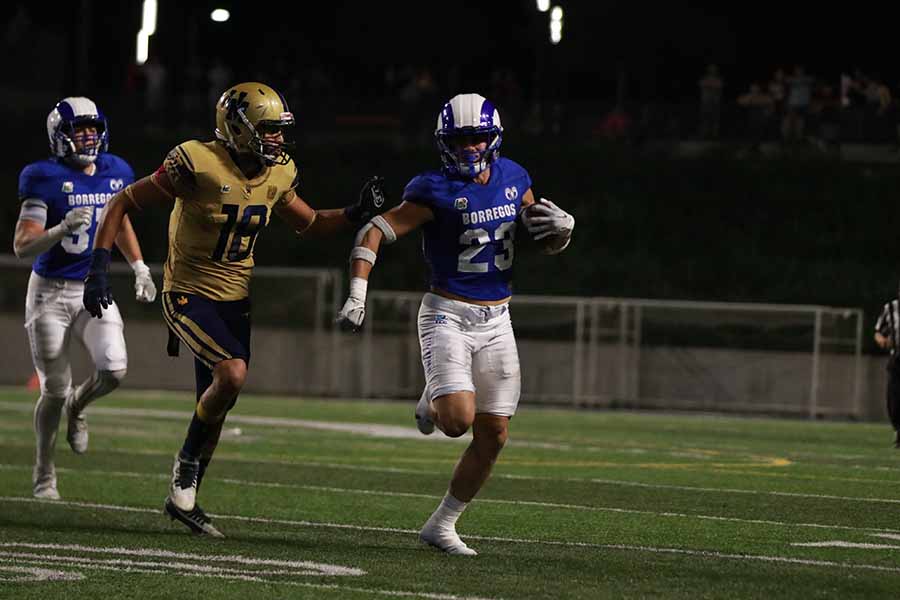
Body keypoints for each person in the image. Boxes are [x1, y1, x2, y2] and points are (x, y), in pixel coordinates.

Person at [82, 82, 386, 537]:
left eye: (280, 130)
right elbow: (123, 200)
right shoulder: (196, 163)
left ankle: (184, 499)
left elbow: (311, 223)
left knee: (219, 402)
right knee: (232, 374)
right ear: (238, 129)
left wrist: (355, 212)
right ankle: (185, 467)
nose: (278, 140)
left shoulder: (277, 174)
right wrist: (99, 268)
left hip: (235, 298)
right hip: (186, 290)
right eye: (269, 130)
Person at [337, 93, 575, 555]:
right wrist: (357, 294)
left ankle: (441, 525)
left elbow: (537, 235)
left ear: (494, 138)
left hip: (498, 318)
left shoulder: (515, 177)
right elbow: (372, 231)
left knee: (495, 435)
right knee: (456, 423)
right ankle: (435, 396)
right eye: (460, 139)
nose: (468, 147)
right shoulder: (431, 188)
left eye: (477, 138)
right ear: (444, 142)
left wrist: (562, 233)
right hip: (447, 314)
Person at [13, 97, 157, 500]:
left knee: (114, 368)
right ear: (60, 136)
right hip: (49, 293)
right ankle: (45, 474)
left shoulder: (117, 172)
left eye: (93, 128)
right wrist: (59, 230)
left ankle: (80, 406)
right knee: (53, 390)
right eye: (80, 130)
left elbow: (120, 221)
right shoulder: (42, 177)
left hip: (93, 287)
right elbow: (23, 246)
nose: (89, 136)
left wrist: (140, 266)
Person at [874, 286, 900, 447]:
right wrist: (882, 341)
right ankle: (898, 429)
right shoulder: (890, 308)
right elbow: (878, 331)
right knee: (894, 398)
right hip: (897, 359)